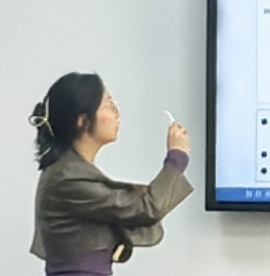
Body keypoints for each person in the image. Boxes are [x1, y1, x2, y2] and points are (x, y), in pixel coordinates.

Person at [29, 72, 193, 275]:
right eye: (108, 106)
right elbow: (147, 209)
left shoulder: (70, 171)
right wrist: (177, 157)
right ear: (83, 120)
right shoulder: (68, 178)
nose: (117, 114)